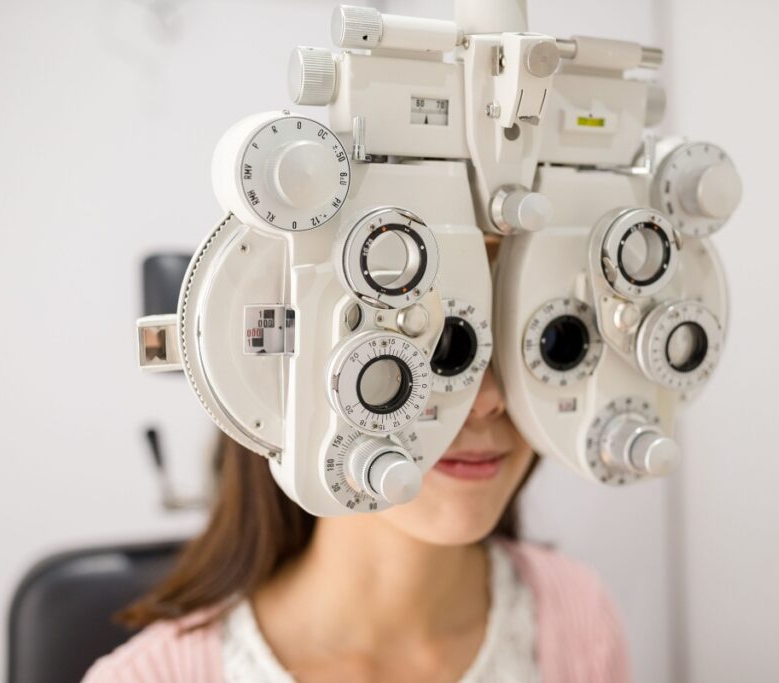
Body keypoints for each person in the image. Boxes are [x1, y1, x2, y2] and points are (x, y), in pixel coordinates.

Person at [84, 240, 631, 683]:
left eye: (531, 343)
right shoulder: (152, 677)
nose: (489, 399)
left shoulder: (574, 615)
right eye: (437, 348)